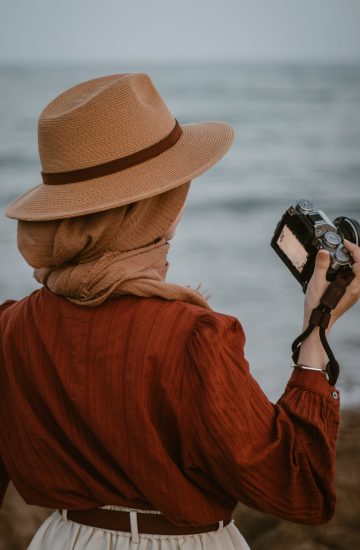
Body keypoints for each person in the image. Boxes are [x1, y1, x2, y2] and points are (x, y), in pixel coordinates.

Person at [0, 73, 359, 550]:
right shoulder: (194, 336)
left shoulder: (9, 328)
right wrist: (317, 331)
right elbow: (297, 489)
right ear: (155, 204)